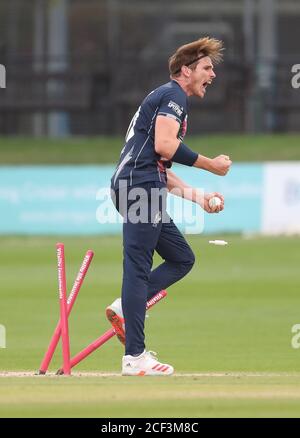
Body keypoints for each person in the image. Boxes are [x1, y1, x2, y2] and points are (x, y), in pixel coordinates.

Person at [107, 37, 232, 376]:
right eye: (207, 68)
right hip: (139, 186)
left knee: (181, 258)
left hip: (140, 183)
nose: (212, 75)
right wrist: (212, 165)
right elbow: (166, 144)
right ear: (186, 70)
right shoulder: (173, 95)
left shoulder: (166, 97)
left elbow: (161, 160)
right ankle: (134, 357)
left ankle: (124, 308)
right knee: (137, 266)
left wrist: (199, 197)